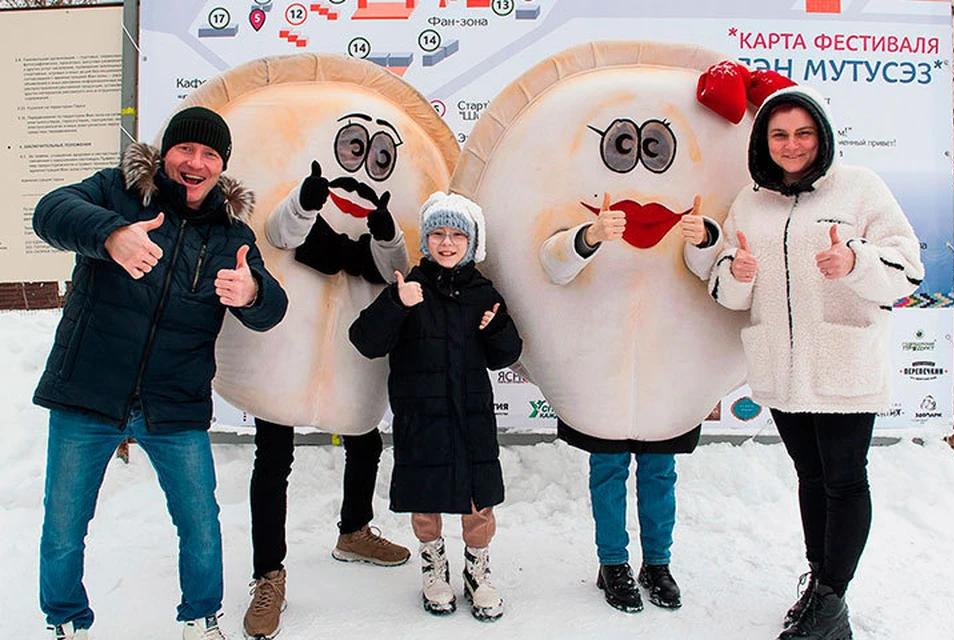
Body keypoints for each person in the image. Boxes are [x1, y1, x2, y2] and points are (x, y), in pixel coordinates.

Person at [32, 106, 288, 640]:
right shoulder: (117, 194)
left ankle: (200, 618)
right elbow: (50, 212)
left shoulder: (230, 234)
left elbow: (272, 308)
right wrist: (110, 236)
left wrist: (253, 293)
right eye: (185, 150)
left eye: (209, 155)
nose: (195, 163)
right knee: (63, 528)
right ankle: (66, 622)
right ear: (166, 153)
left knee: (199, 527)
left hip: (174, 403)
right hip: (89, 393)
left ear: (222, 167)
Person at [708, 85, 923, 640]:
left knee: (846, 481)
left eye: (803, 132)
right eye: (779, 134)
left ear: (822, 135)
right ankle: (822, 584)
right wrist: (740, 273)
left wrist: (855, 260)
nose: (792, 144)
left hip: (843, 361)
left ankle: (831, 600)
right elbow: (727, 290)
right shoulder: (750, 201)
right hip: (781, 367)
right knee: (811, 477)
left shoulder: (860, 188)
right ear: (764, 140)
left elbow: (906, 270)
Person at [242, 161, 410, 640]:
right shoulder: (302, 210)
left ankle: (354, 531)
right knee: (273, 456)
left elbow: (395, 267)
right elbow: (279, 232)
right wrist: (305, 200)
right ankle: (268, 574)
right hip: (290, 341)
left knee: (365, 441)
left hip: (354, 346)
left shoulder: (378, 222)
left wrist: (385, 231)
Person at [539, 193, 723, 614]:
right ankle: (612, 563)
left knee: (660, 472)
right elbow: (552, 265)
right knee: (608, 470)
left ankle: (657, 564)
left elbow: (716, 267)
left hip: (665, 362)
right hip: (604, 363)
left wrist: (706, 237)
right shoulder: (581, 197)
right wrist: (591, 235)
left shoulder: (689, 201)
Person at [349, 192, 522, 621]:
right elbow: (365, 341)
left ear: (471, 242)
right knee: (425, 496)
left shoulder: (484, 292)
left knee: (478, 498)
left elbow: (506, 353)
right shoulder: (409, 286)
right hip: (420, 416)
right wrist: (395, 303)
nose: (447, 243)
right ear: (426, 241)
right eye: (438, 234)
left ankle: (477, 571)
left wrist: (497, 326)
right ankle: (434, 567)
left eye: (457, 235)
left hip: (472, 415)